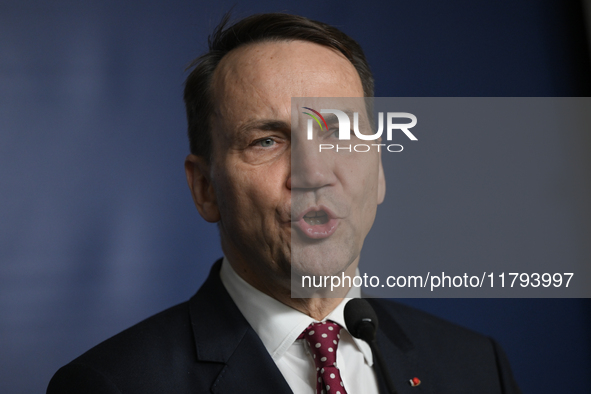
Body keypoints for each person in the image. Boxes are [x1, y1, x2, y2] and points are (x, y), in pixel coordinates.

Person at [47, 13, 521, 394]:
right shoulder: (110, 384)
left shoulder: (477, 366)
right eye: (267, 141)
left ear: (378, 171)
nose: (314, 173)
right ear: (205, 188)